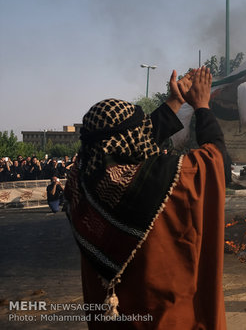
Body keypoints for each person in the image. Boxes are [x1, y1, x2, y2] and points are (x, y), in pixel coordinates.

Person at [64, 67, 227, 329]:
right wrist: (202, 106)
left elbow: (131, 139)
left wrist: (176, 101)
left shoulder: (79, 183)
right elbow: (216, 160)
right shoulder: (169, 180)